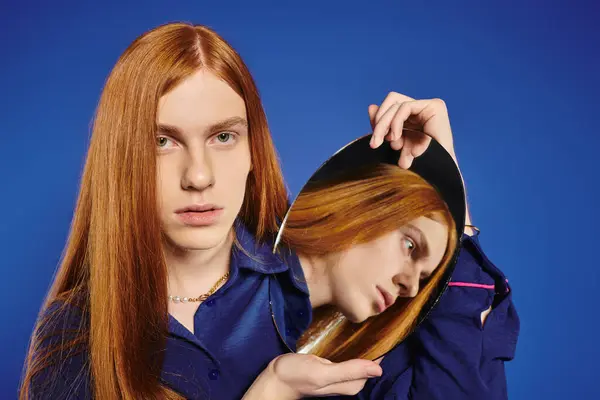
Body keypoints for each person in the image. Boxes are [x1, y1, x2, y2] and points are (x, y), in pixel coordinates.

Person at [19, 22, 382, 400]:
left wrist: (442, 178)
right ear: (122, 161)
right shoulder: (74, 336)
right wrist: (273, 390)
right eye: (162, 142)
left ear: (253, 152)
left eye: (223, 137)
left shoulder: (315, 277)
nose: (198, 176)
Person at [276, 163, 459, 361]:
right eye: (410, 246)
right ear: (362, 207)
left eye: (422, 277)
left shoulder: (283, 350)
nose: (412, 288)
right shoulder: (242, 241)